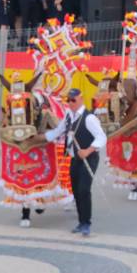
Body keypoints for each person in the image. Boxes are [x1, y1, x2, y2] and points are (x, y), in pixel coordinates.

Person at [44, 88, 106, 235]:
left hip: (88, 158)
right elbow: (58, 131)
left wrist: (88, 151)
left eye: (73, 100)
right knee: (76, 191)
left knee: (84, 190)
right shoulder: (67, 115)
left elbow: (102, 137)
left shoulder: (89, 118)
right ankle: (80, 221)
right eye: (68, 100)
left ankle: (86, 223)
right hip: (73, 158)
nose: (70, 103)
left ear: (81, 99)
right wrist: (39, 138)